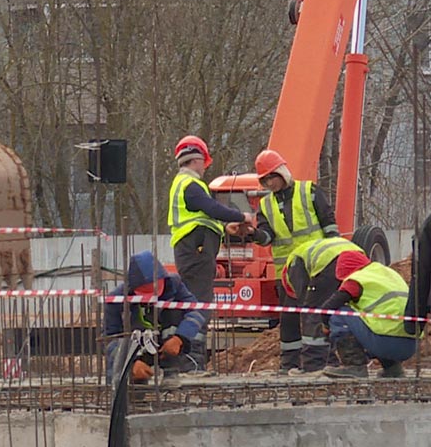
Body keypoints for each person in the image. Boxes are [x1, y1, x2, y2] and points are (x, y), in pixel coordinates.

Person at [249, 149, 340, 373]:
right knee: (289, 319)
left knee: (318, 315)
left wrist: (335, 255)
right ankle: (289, 364)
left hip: (317, 266)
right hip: (287, 273)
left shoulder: (308, 191)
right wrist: (251, 234)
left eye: (272, 177)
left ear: (282, 173)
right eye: (265, 180)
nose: (270, 183)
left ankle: (328, 360)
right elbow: (267, 236)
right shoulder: (266, 206)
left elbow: (329, 224)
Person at [167, 135, 252, 346]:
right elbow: (212, 209)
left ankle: (189, 357)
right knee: (199, 303)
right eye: (203, 163)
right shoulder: (191, 184)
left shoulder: (185, 185)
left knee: (195, 301)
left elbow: (203, 217)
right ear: (196, 160)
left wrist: (224, 228)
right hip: (196, 252)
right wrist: (242, 217)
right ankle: (193, 357)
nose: (204, 168)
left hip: (193, 251)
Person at [103, 251, 208, 383]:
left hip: (164, 348)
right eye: (146, 293)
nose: (152, 298)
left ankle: (171, 370)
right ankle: (135, 375)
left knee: (175, 310)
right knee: (133, 394)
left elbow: (196, 311)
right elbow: (109, 339)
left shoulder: (174, 284)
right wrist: (130, 363)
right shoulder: (116, 299)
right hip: (137, 349)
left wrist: (180, 337)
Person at [319, 249, 420, 379]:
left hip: (384, 342)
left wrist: (326, 326)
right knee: (376, 320)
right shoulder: (388, 273)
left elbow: (328, 308)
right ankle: (393, 368)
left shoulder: (357, 279)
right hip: (410, 344)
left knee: (340, 313)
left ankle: (354, 367)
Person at [285, 236, 362, 372]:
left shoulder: (294, 263)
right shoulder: (311, 249)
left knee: (312, 312)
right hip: (358, 256)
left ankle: (314, 365)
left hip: (330, 261)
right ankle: (341, 361)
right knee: (343, 309)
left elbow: (306, 302)